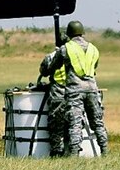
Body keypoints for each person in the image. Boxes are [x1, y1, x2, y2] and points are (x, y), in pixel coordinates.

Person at [40, 20, 108, 156]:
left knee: (75, 122)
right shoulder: (93, 49)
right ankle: (105, 151)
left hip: (75, 90)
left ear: (69, 34)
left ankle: (74, 154)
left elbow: (52, 67)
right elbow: (94, 69)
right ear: (82, 32)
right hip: (92, 88)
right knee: (97, 122)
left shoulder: (67, 48)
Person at [38, 52, 69, 157]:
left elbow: (43, 72)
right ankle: (73, 152)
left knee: (56, 125)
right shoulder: (82, 52)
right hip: (75, 95)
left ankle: (57, 152)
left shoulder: (51, 56)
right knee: (74, 124)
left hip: (58, 94)